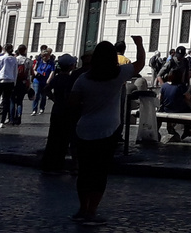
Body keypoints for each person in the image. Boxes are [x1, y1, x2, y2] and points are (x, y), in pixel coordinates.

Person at [68, 36, 145, 224]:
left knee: (84, 171)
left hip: (85, 128)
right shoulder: (119, 75)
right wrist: (140, 44)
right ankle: (92, 211)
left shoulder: (83, 79)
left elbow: (73, 104)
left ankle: (82, 208)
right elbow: (140, 63)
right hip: (109, 129)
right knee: (100, 172)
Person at [41, 54, 81, 173]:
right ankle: (58, 163)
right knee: (64, 138)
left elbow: (46, 90)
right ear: (70, 66)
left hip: (56, 109)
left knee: (53, 137)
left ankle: (49, 163)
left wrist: (54, 99)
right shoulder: (70, 80)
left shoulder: (57, 78)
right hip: (66, 111)